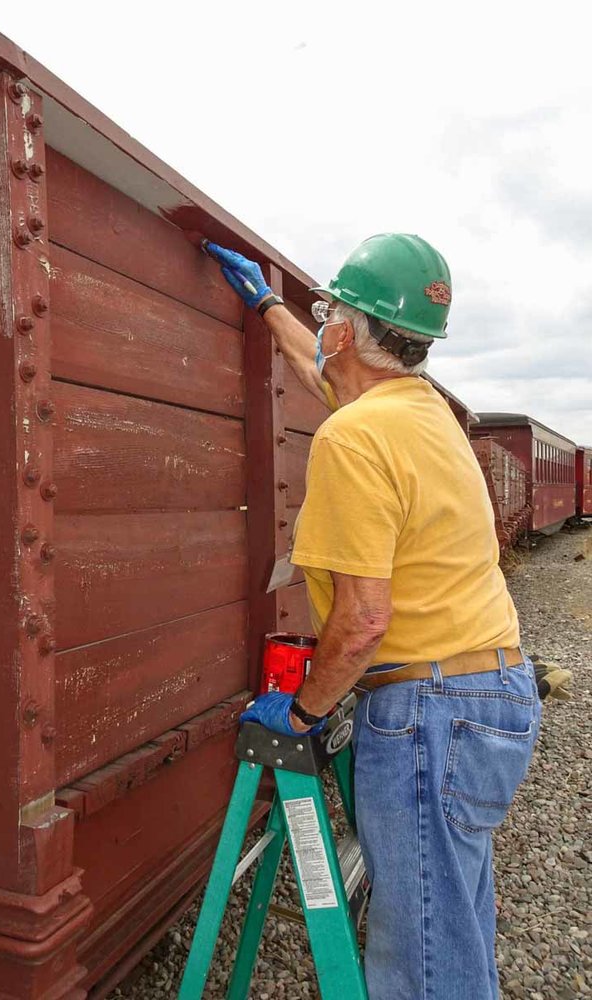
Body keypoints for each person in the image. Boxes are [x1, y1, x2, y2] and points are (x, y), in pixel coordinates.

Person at [208, 235, 542, 1000]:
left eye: (329, 310)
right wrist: (267, 304)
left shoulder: (355, 437)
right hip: (491, 694)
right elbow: (321, 374)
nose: (320, 322)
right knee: (454, 919)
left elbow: (361, 622)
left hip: (433, 712)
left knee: (422, 951)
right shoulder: (419, 413)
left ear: (349, 332)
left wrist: (303, 713)